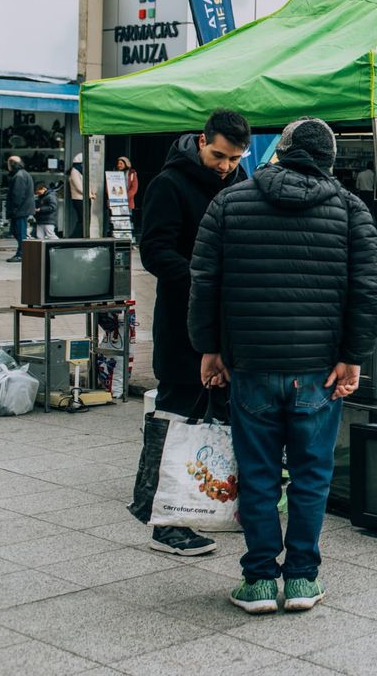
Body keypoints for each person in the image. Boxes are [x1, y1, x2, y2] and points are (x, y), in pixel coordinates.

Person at [189, 117, 377, 615]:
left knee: (256, 476)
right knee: (311, 474)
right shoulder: (350, 210)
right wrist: (352, 357)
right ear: (330, 161)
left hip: (250, 365)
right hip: (318, 370)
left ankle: (257, 582)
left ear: (281, 150)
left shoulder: (229, 203)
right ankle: (301, 579)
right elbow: (367, 290)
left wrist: (208, 348)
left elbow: (204, 283)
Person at [137, 109, 250, 556]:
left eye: (235, 158)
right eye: (219, 155)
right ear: (202, 141)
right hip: (181, 324)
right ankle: (164, 523)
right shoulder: (169, 183)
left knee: (219, 423)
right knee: (175, 418)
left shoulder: (239, 183)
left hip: (226, 326)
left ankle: (210, 508)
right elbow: (154, 251)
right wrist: (202, 278)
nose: (225, 165)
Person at [3, 156, 33, 261]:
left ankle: (21, 254)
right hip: (22, 209)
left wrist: (13, 210)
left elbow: (17, 195)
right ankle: (23, 251)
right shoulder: (23, 174)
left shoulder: (19, 176)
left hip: (20, 210)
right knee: (17, 232)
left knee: (19, 232)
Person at [117, 156, 141, 233]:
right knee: (117, 221)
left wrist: (125, 197)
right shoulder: (114, 173)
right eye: (118, 163)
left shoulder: (132, 174)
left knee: (126, 221)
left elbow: (134, 188)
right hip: (116, 201)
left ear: (126, 164)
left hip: (127, 202)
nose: (119, 165)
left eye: (121, 163)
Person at [65, 154, 85, 237]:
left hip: (82, 198)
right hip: (78, 199)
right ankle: (75, 236)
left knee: (83, 220)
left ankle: (79, 236)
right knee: (82, 220)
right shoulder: (74, 172)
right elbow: (79, 187)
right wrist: (88, 194)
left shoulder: (79, 172)